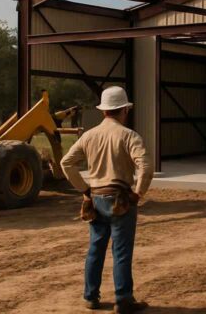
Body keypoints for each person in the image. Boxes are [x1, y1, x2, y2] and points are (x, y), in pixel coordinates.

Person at [61, 86, 153, 314]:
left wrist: (84, 190)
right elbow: (146, 166)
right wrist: (138, 193)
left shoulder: (89, 136)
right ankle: (123, 300)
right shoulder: (129, 136)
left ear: (104, 112)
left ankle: (90, 297)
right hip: (121, 198)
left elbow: (66, 163)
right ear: (124, 110)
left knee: (96, 248)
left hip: (96, 198)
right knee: (121, 251)